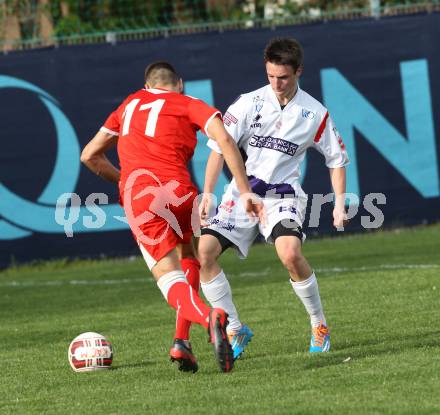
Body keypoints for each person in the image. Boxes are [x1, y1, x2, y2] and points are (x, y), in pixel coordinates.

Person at [80, 61, 263, 373]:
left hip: (142, 198)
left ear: (147, 84)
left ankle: (210, 317)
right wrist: (244, 191)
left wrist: (124, 181)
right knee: (189, 253)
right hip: (181, 193)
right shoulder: (188, 102)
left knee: (168, 280)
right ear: (179, 84)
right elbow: (225, 140)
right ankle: (181, 342)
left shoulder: (129, 104)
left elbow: (89, 155)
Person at [198, 38, 349, 358]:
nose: (276, 83)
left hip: (282, 196)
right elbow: (217, 149)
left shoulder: (314, 113)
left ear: (298, 72)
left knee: (291, 254)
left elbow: (336, 160)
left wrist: (338, 203)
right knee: (204, 253)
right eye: (270, 76)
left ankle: (319, 324)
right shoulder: (247, 103)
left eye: (283, 77)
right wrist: (208, 194)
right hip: (241, 193)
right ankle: (236, 330)